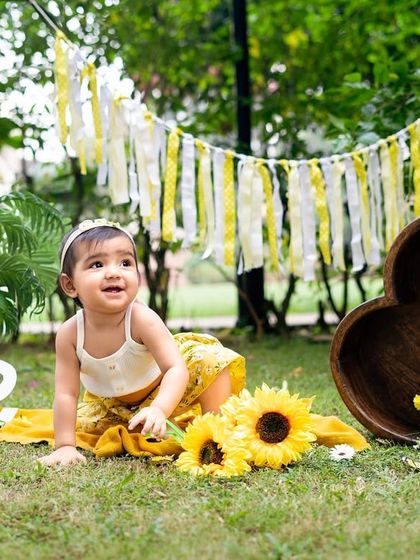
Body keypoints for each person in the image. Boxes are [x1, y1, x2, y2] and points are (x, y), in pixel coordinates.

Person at [39, 219, 245, 467]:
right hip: (116, 405)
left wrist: (159, 409)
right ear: (70, 285)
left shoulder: (141, 319)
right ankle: (144, 419)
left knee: (210, 361)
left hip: (170, 386)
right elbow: (66, 393)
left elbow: (175, 369)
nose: (114, 272)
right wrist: (65, 445)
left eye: (125, 263)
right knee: (86, 426)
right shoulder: (70, 334)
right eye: (97, 264)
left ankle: (216, 430)